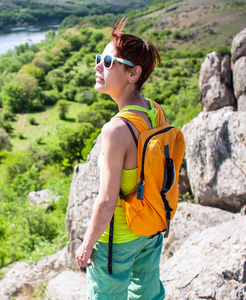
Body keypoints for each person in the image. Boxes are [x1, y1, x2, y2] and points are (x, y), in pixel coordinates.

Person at [75, 18, 165, 299]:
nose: (98, 66)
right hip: (151, 228)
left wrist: (87, 244)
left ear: (133, 73)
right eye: (98, 59)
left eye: (108, 61)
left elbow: (107, 201)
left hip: (119, 240)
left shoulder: (115, 130)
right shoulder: (154, 111)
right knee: (147, 293)